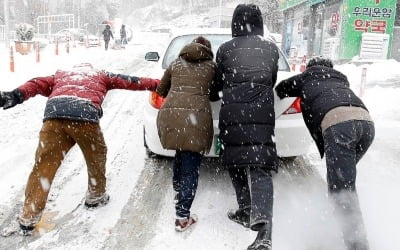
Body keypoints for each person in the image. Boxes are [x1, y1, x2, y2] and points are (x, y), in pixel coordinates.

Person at [0, 63, 160, 236]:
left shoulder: (60, 75)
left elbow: (36, 83)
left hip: (54, 118)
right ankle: (96, 195)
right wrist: (159, 84)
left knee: (43, 166)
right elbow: (132, 81)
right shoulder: (101, 75)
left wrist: (16, 95)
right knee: (96, 156)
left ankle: (29, 216)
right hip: (84, 116)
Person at [275, 57, 374, 250]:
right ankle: (337, 221)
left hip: (339, 126)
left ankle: (357, 245)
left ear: (309, 68)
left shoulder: (305, 77)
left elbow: (280, 89)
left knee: (343, 189)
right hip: (366, 124)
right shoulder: (340, 78)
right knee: (341, 181)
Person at [213, 4, 279, 250]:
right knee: (260, 167)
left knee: (236, 161)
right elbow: (271, 79)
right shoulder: (270, 48)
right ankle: (264, 230)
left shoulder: (225, 49)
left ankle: (246, 209)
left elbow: (216, 84)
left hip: (233, 114)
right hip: (262, 114)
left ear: (234, 23)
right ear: (259, 22)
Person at [156, 36, 216, 232]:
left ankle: (178, 189)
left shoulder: (175, 63)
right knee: (191, 164)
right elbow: (216, 93)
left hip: (171, 115)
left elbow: (161, 90)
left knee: (181, 152)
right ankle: (182, 217)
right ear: (207, 50)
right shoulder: (212, 67)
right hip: (196, 119)